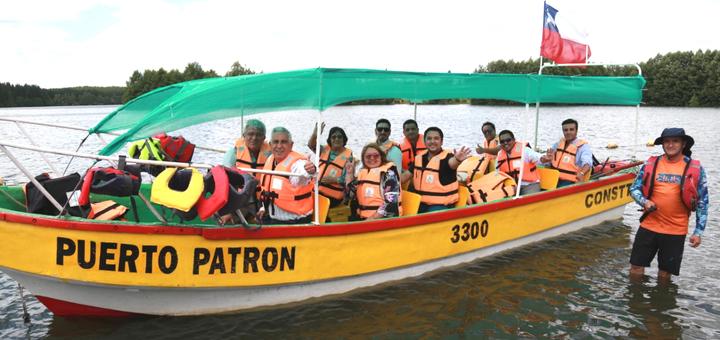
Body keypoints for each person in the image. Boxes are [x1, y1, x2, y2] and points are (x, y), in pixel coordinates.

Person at [629, 128, 709, 281]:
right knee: (636, 267)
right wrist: (644, 201)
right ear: (662, 144)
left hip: (675, 230)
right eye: (667, 141)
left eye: (675, 141)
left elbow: (703, 203)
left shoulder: (696, 169)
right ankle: (636, 301)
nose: (670, 145)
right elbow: (634, 189)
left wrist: (698, 232)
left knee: (665, 273)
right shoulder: (651, 163)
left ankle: (661, 303)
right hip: (648, 226)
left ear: (683, 144)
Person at [257, 127, 317, 225]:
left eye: (284, 142)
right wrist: (263, 208)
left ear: (291, 145)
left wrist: (310, 170)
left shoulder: (297, 163)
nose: (279, 146)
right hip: (274, 216)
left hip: (295, 220)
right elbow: (268, 190)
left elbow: (302, 174)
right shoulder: (270, 159)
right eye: (276, 142)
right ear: (270, 145)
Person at [411, 127, 471, 213]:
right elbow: (406, 175)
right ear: (424, 141)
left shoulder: (447, 157)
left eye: (436, 138)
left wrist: (457, 160)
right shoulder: (419, 158)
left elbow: (452, 163)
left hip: (440, 205)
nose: (432, 141)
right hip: (420, 202)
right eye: (429, 138)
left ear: (441, 142)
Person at [344, 143, 401, 220]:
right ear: (363, 159)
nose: (372, 158)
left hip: (384, 219)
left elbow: (391, 202)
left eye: (376, 155)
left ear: (381, 157)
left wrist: (373, 218)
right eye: (368, 156)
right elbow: (350, 195)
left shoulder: (389, 174)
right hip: (364, 217)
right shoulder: (363, 173)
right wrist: (349, 173)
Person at [308, 123, 354, 207]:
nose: (337, 139)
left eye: (340, 137)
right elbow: (311, 145)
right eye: (333, 137)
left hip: (333, 198)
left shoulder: (349, 158)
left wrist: (335, 180)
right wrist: (316, 134)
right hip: (316, 191)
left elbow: (349, 181)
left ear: (344, 139)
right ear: (330, 139)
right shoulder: (323, 150)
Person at [543, 118, 593, 187]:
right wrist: (546, 159)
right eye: (565, 130)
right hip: (553, 177)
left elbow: (588, 163)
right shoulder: (557, 144)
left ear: (576, 131)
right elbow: (548, 161)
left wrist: (582, 173)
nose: (568, 132)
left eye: (571, 129)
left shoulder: (583, 147)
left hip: (570, 180)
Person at [495, 130, 542, 195]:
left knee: (529, 200)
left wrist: (545, 158)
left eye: (508, 140)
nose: (505, 143)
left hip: (529, 185)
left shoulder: (525, 150)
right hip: (511, 186)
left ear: (514, 140)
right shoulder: (500, 154)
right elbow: (497, 173)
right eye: (502, 141)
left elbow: (539, 158)